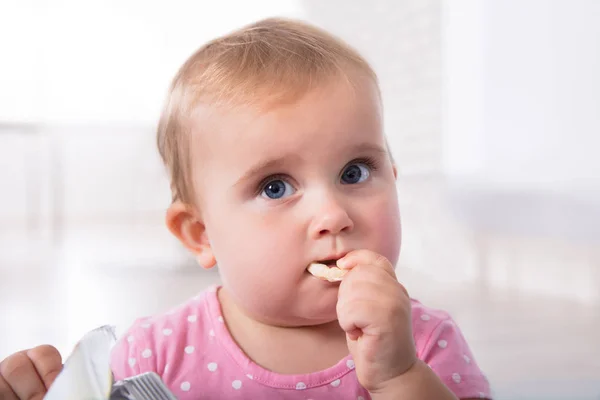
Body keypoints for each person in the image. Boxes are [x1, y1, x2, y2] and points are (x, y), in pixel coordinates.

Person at [0, 17, 492, 399]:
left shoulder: (423, 343)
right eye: (275, 187)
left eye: (355, 172)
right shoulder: (153, 355)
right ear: (201, 233)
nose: (334, 214)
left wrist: (399, 377)